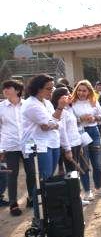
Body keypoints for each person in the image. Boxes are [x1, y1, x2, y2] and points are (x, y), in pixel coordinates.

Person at [21, 74, 65, 221]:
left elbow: (57, 121)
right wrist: (59, 109)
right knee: (42, 180)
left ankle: (47, 211)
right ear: (38, 88)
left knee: (49, 179)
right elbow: (47, 125)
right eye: (48, 88)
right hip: (36, 145)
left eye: (52, 88)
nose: (51, 91)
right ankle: (38, 215)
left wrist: (55, 121)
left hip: (51, 143)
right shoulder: (31, 104)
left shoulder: (46, 102)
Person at [0, 80, 36, 216]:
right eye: (4, 88)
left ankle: (32, 198)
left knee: (32, 172)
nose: (5, 90)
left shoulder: (28, 104)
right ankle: (13, 203)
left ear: (17, 90)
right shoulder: (1, 107)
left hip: (29, 142)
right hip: (10, 145)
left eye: (8, 87)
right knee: (11, 174)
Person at [70, 80, 101, 200]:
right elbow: (69, 121)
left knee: (97, 164)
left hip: (93, 132)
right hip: (80, 133)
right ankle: (87, 191)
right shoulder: (72, 103)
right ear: (76, 90)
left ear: (89, 92)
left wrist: (95, 118)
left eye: (84, 91)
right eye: (79, 90)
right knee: (84, 163)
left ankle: (98, 188)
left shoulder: (93, 101)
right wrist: (80, 119)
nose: (81, 93)